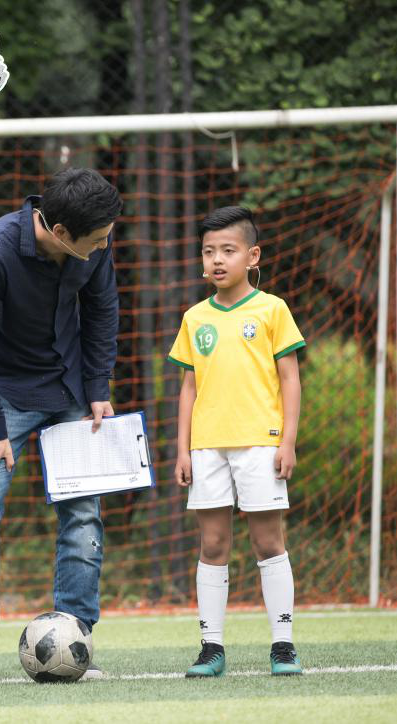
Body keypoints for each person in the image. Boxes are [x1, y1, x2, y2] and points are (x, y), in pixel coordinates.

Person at [0, 168, 123, 684]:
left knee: (84, 520)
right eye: (99, 238)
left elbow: (103, 309)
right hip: (2, 402)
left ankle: (76, 637)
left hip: (70, 394)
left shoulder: (94, 241)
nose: (107, 244)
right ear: (60, 233)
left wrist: (98, 389)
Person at [168, 206, 305, 678]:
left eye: (228, 250)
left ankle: (283, 646)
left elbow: (290, 379)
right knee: (213, 543)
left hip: (260, 444)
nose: (217, 260)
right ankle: (211, 648)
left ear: (253, 255)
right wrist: (182, 449)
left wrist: (287, 441)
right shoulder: (194, 317)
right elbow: (189, 387)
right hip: (207, 447)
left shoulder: (272, 309)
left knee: (268, 541)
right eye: (209, 251)